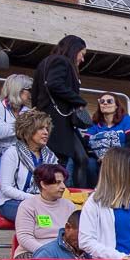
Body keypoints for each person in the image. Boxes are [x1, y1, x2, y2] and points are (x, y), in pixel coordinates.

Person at [32, 35, 89, 186]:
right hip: (58, 121)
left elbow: (36, 93)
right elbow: (54, 84)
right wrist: (79, 101)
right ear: (74, 50)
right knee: (61, 161)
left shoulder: (44, 63)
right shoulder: (61, 62)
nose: (82, 59)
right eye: (82, 54)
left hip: (50, 119)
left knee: (79, 158)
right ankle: (66, 193)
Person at [0, 110, 60, 221]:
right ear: (27, 131)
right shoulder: (12, 153)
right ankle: (33, 237)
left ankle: (51, 236)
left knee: (64, 214)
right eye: (41, 128)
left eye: (46, 129)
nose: (46, 132)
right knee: (44, 218)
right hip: (11, 202)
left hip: (42, 203)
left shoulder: (51, 156)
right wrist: (36, 198)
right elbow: (6, 188)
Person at [14, 163, 74, 257]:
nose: (63, 187)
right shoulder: (28, 205)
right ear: (43, 184)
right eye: (58, 182)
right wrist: (49, 252)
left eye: (63, 182)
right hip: (33, 251)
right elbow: (25, 238)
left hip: (64, 251)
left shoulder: (69, 206)